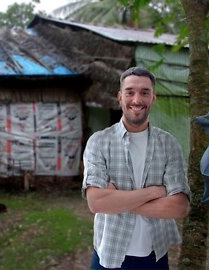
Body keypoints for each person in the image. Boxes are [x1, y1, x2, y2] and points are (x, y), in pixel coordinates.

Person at [82, 67, 191, 269]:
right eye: (130, 92)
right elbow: (96, 203)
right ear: (119, 97)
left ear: (153, 98)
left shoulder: (169, 144)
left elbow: (180, 207)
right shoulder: (99, 142)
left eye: (144, 92)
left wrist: (117, 201)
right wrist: (154, 192)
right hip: (109, 255)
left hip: (154, 256)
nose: (137, 100)